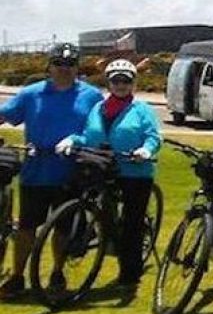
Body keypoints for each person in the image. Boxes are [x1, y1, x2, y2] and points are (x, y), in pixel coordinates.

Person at [0, 43, 104, 299]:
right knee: (26, 227)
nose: (64, 70)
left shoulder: (91, 96)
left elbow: (98, 128)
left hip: (70, 171)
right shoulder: (31, 93)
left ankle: (57, 272)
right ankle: (17, 277)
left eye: (70, 65)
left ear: (77, 68)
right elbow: (5, 115)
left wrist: (77, 140)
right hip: (36, 170)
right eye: (59, 64)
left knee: (62, 228)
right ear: (50, 66)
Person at [55, 59, 161, 291]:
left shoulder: (142, 110)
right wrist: (71, 140)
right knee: (92, 205)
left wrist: (146, 150)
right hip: (102, 167)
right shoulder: (98, 108)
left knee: (132, 223)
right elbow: (87, 135)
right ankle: (89, 237)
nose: (121, 85)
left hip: (134, 170)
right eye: (116, 80)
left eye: (126, 80)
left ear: (133, 83)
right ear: (109, 82)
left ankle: (129, 274)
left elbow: (153, 136)